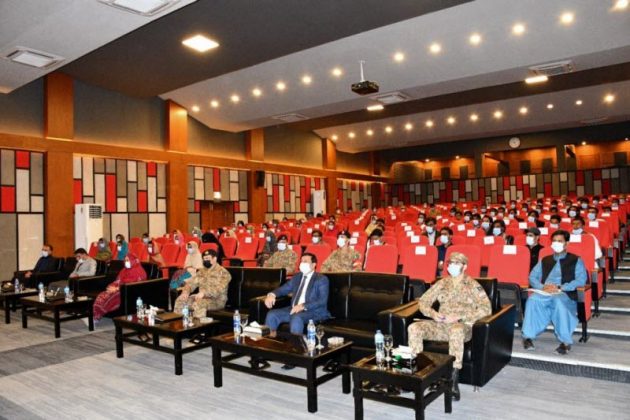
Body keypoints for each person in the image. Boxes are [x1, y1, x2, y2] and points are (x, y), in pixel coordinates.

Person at [407, 252, 491, 401]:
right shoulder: (442, 283)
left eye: (456, 263)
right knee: (414, 328)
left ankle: (452, 380)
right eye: (450, 263)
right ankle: (419, 375)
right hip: (441, 324)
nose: (452, 266)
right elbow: (423, 302)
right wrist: (433, 314)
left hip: (462, 326)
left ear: (465, 266)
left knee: (456, 331)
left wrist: (460, 317)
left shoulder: (473, 285)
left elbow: (486, 309)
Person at [522, 230, 587, 355]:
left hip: (564, 293)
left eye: (560, 241)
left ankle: (565, 342)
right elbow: (532, 277)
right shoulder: (545, 260)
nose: (556, 243)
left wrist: (560, 287)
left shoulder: (576, 260)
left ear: (566, 244)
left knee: (558, 301)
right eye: (554, 241)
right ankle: (528, 337)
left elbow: (581, 280)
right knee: (533, 300)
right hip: (545, 291)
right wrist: (542, 287)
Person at [264, 253, 330, 339]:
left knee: (296, 317)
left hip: (314, 311)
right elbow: (284, 289)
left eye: (305, 261)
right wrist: (272, 294)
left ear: (314, 265)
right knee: (272, 314)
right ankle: (270, 344)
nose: (302, 263)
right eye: (301, 261)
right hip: (294, 309)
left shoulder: (321, 279)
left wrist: (303, 306)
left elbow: (322, 300)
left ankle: (296, 348)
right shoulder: (297, 277)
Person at [174, 249, 231, 317]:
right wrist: (186, 292)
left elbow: (218, 290)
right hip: (200, 297)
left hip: (217, 301)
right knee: (180, 300)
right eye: (203, 259)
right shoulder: (201, 271)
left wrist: (204, 294)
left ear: (214, 259)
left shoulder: (223, 273)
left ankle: (197, 325)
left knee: (198, 303)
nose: (205, 260)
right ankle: (181, 324)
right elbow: (191, 283)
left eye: (207, 258)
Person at [93, 253, 147, 321]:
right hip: (120, 288)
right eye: (125, 260)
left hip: (129, 292)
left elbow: (134, 286)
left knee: (111, 297)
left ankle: (99, 314)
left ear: (134, 260)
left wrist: (117, 289)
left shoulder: (139, 271)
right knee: (102, 295)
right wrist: (112, 287)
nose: (126, 262)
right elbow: (118, 280)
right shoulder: (124, 270)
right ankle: (98, 314)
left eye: (128, 260)